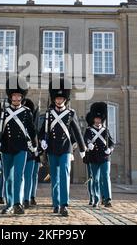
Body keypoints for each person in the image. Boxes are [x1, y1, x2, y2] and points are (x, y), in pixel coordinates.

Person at [39, 77, 86, 216]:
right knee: (54, 177)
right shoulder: (48, 114)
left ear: (65, 99)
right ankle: (56, 202)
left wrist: (82, 149)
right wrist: (42, 141)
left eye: (61, 98)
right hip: (52, 148)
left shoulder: (71, 114)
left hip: (66, 148)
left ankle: (64, 204)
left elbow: (77, 132)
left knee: (64, 176)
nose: (59, 100)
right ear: (54, 99)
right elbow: (42, 131)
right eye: (57, 98)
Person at [0, 76, 37, 215]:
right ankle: (9, 204)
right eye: (14, 96)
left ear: (22, 97)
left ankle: (18, 203)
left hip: (21, 147)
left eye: (19, 96)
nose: (16, 98)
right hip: (6, 147)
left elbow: (31, 129)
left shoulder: (26, 112)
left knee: (19, 175)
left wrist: (34, 144)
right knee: (8, 177)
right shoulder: (4, 112)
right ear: (10, 97)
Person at [84, 102, 116, 208]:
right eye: (96, 118)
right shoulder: (89, 130)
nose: (98, 120)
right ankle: (96, 199)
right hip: (94, 158)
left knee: (106, 177)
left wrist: (110, 150)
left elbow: (112, 143)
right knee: (95, 179)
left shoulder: (105, 130)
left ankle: (107, 199)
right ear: (93, 119)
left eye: (99, 119)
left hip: (105, 157)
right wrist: (89, 144)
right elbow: (86, 139)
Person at [22, 98, 39, 209]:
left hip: (33, 153)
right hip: (21, 151)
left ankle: (29, 197)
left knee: (31, 176)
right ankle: (21, 198)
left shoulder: (35, 124)